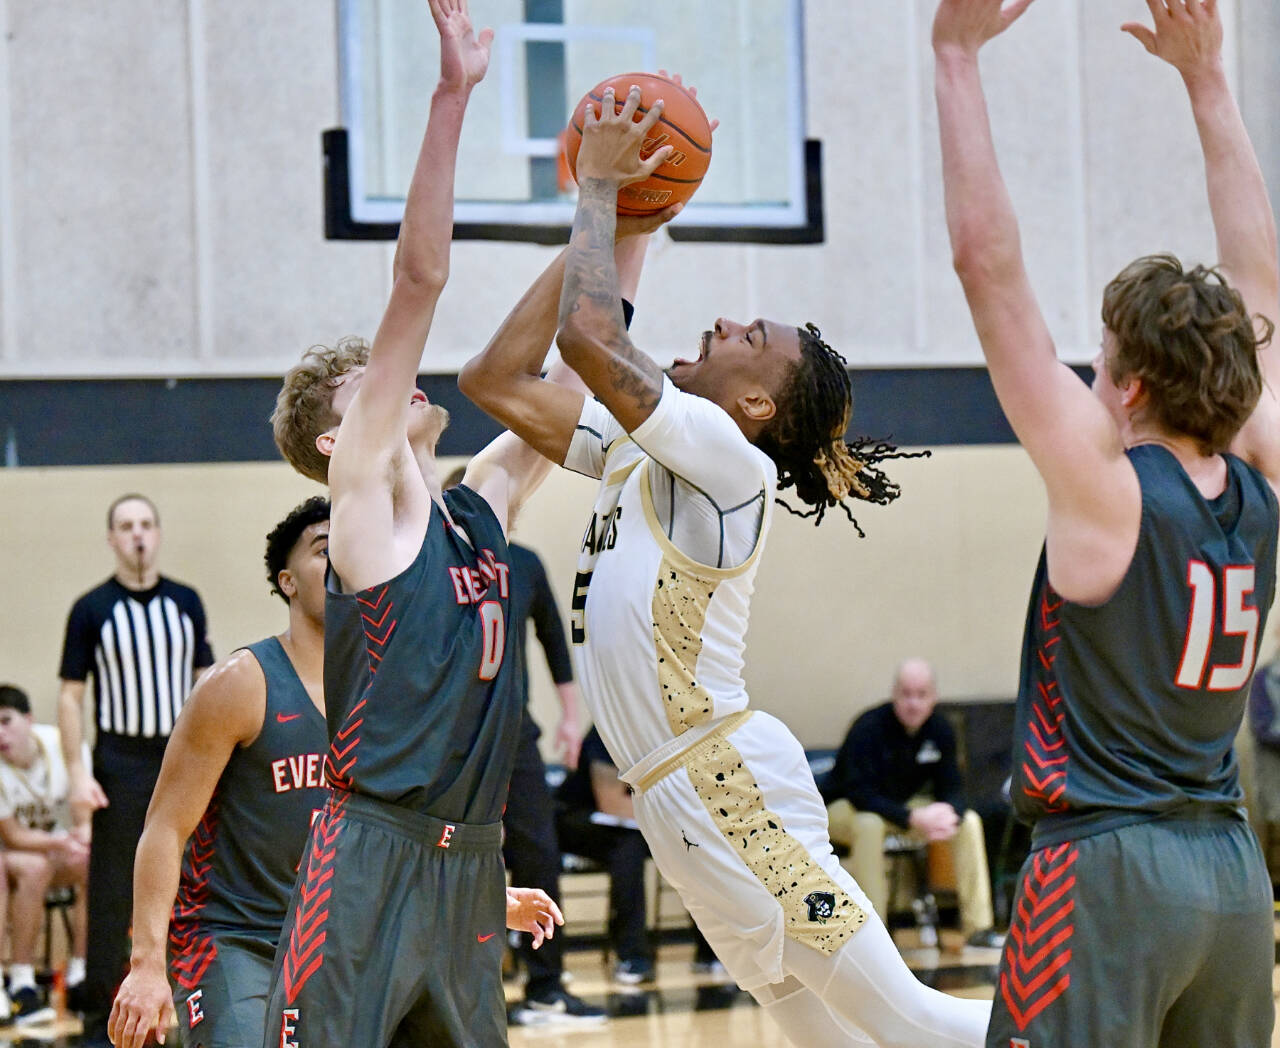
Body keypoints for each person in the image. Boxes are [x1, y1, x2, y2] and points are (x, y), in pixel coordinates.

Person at [459, 81, 991, 1048]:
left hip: (724, 778)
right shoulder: (642, 450)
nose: (728, 324)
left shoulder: (726, 456)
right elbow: (494, 381)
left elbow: (590, 337)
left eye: (753, 340)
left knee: (911, 1021)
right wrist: (622, 213)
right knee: (811, 1028)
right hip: (676, 796)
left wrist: (600, 195)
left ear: (755, 407)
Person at [933, 1, 1279, 1044]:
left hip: (1104, 870)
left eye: (1094, 359)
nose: (1082, 373)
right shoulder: (1259, 474)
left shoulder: (1107, 486)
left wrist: (953, 59)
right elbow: (1257, 278)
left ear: (1125, 388)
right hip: (1229, 879)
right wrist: (1207, 82)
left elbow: (986, 271)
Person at [260, 2, 578, 1044]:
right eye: (365, 377)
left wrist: (618, 212)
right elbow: (421, 277)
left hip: (468, 864)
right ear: (330, 441)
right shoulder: (361, 507)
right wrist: (453, 96)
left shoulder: (477, 511)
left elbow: (573, 365)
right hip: (367, 860)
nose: (390, 372)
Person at [104, 499, 560, 1048]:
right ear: (287, 581)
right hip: (238, 940)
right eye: (324, 548)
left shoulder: (398, 696)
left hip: (342, 941)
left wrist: (488, 899)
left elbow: (409, 832)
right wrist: (147, 964)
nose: (342, 557)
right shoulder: (241, 684)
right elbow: (165, 828)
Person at [441, 467, 600, 1023]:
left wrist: (571, 718)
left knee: (539, 854)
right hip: (453, 745)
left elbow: (555, 640)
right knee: (456, 861)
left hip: (517, 737)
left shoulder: (525, 563)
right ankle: (461, 994)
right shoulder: (432, 566)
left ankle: (546, 986)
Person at [57, 493, 214, 1045]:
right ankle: (102, 1026)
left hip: (179, 758)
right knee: (111, 895)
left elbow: (208, 682)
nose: (137, 534)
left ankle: (190, 1013)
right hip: (119, 761)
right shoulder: (91, 608)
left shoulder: (186, 602)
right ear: (112, 538)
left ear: (158, 533)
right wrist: (78, 774)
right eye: (126, 526)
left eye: (146, 524)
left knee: (193, 885)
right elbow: (71, 697)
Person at [824, 658, 1002, 948]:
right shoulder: (868, 727)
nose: (913, 703)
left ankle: (978, 928)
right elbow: (860, 792)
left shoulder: (940, 730)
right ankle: (875, 933)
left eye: (921, 695)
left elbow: (954, 787)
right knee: (867, 824)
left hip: (900, 809)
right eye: (906, 694)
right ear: (895, 694)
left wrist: (946, 814)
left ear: (934, 697)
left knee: (968, 821)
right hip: (847, 807)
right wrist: (911, 818)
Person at [556, 725, 724, 984]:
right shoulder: (607, 732)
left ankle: (712, 952)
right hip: (581, 819)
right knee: (629, 848)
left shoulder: (671, 732)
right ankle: (632, 958)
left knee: (693, 845)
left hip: (637, 822)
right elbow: (612, 804)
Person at [0, 684, 90, 1026]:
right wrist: (59, 843)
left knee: (90, 860)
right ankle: (20, 981)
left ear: (28, 719)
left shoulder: (62, 745)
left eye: (6, 721)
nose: (0, 733)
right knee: (36, 867)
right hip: (12, 855)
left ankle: (82, 973)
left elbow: (84, 815)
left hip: (50, 850)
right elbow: (12, 835)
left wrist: (80, 835)